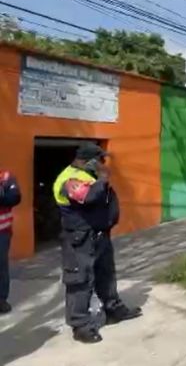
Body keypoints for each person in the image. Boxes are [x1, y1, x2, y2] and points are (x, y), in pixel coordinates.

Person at [54, 143, 141, 343]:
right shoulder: (69, 179)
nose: (103, 164)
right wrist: (102, 178)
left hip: (100, 234)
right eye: (99, 160)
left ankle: (113, 310)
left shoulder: (88, 175)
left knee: (106, 274)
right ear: (88, 161)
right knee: (80, 280)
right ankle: (80, 325)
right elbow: (89, 197)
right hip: (80, 238)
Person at [0, 170, 21, 314]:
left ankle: (1, 300)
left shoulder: (5, 177)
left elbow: (14, 198)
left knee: (1, 266)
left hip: (2, 232)